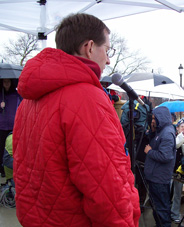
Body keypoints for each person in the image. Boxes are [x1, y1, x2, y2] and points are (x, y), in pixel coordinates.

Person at [13, 13, 140, 227]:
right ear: (89, 47)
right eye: (107, 50)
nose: (108, 60)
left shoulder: (28, 101)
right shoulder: (87, 98)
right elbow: (107, 189)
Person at [144, 106, 176, 227]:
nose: (152, 120)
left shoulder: (167, 133)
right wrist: (152, 130)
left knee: (161, 209)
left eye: (154, 118)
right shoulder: (161, 130)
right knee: (158, 208)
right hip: (155, 177)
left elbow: (166, 156)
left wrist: (150, 152)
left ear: (160, 118)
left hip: (159, 179)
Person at [171, 118, 184, 223]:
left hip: (179, 170)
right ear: (177, 128)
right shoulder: (173, 137)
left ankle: (175, 213)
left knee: (178, 194)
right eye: (182, 126)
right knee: (167, 192)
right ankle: (167, 212)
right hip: (170, 169)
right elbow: (176, 144)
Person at [0, 78, 21, 177]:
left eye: (8, 81)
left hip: (14, 126)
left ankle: (13, 169)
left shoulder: (17, 95)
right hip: (1, 126)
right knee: (1, 149)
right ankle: (2, 170)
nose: (6, 83)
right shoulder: (1, 95)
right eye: (4, 81)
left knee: (12, 149)